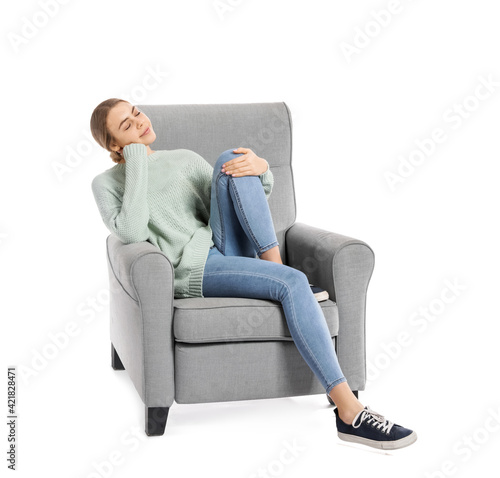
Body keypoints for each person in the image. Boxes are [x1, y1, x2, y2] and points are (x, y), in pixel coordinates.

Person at [90, 98, 417, 450]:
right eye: (126, 126)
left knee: (231, 159)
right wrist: (137, 158)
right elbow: (133, 230)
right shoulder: (106, 184)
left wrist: (262, 168)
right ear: (113, 145)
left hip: (223, 245)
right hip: (195, 268)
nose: (139, 123)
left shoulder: (182, 158)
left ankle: (274, 267)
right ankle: (350, 413)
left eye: (136, 113)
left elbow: (244, 194)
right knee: (292, 283)